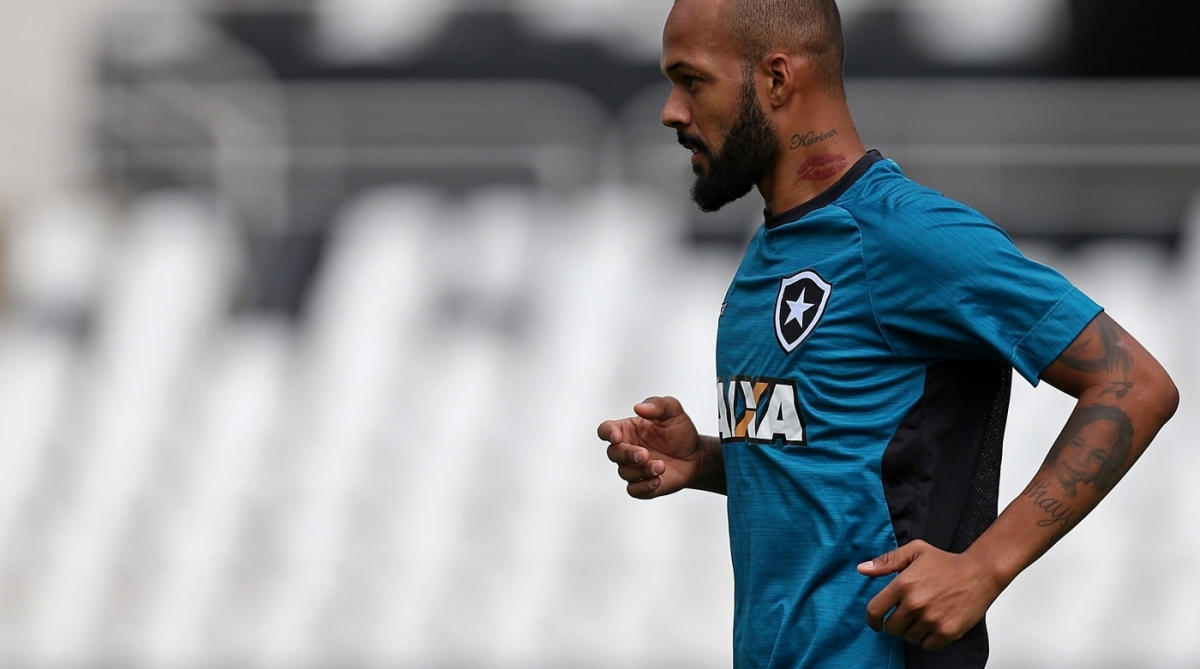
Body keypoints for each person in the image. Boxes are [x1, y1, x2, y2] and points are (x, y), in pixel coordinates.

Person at [595, 0, 1180, 668]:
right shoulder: (773, 250)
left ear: (777, 80)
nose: (672, 110)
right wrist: (704, 458)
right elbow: (850, 464)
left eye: (690, 80)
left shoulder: (907, 234)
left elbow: (1135, 383)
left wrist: (983, 567)